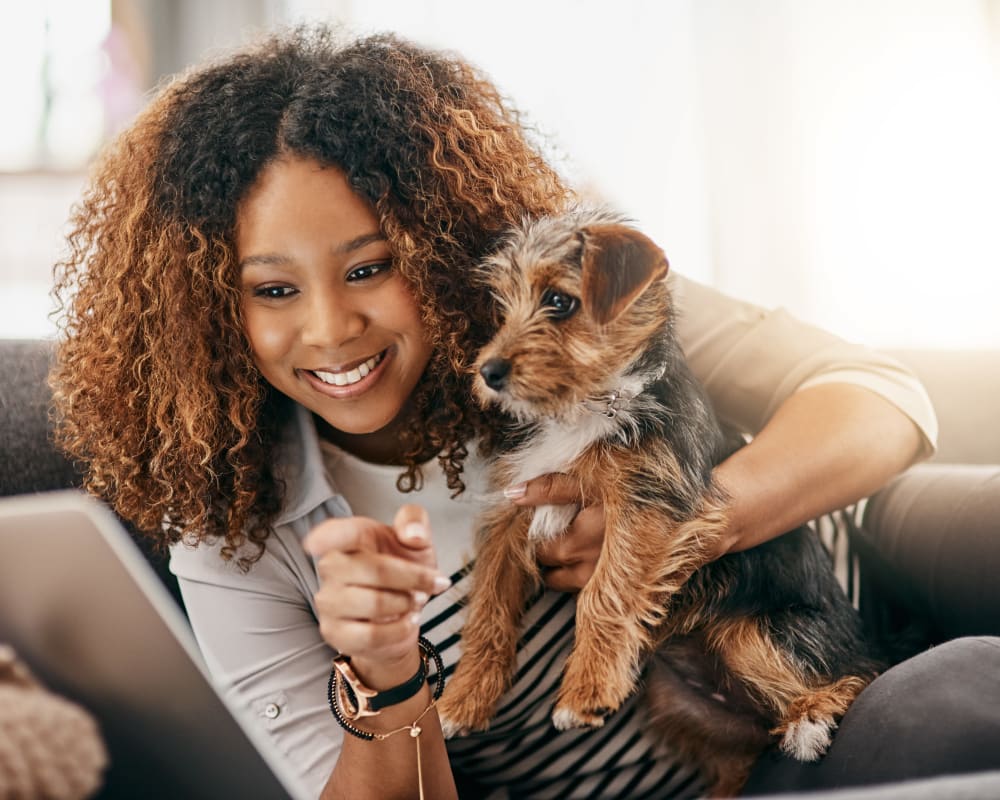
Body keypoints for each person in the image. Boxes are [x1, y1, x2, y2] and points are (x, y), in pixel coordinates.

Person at [49, 25, 997, 800]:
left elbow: (881, 398)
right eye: (272, 290)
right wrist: (385, 673)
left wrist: (685, 527)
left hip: (835, 614)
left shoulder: (560, 307)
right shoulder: (238, 537)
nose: (332, 329)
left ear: (437, 240)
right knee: (957, 699)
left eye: (370, 268)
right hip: (722, 769)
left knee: (971, 615)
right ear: (212, 309)